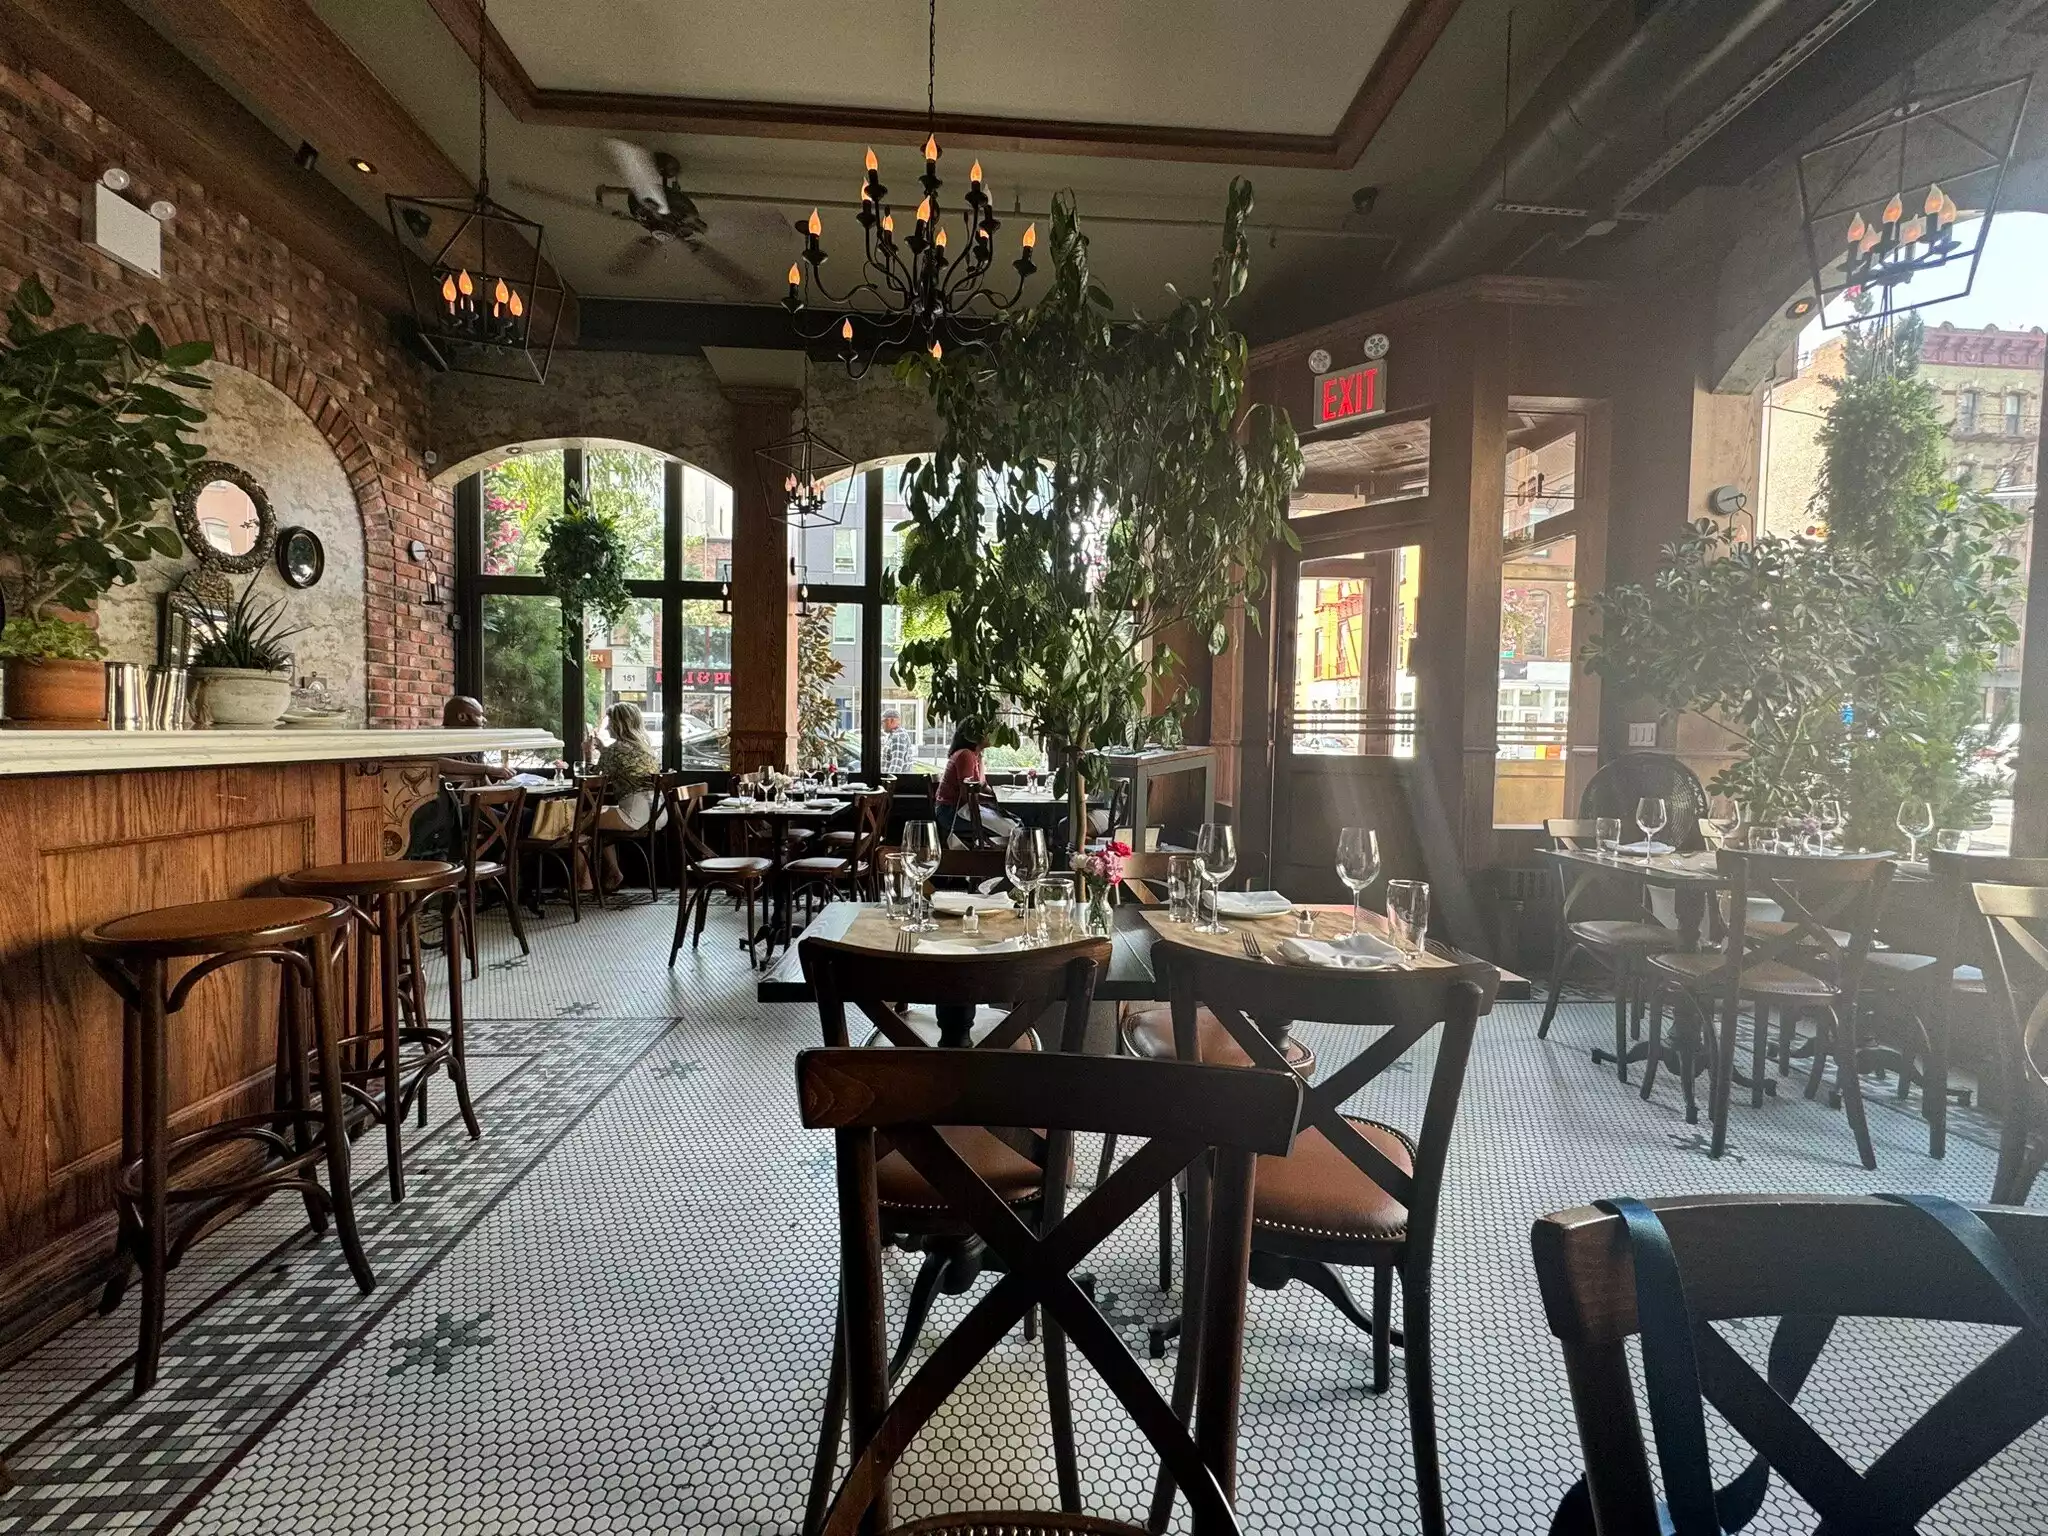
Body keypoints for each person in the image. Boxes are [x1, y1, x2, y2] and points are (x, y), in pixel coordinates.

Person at [934, 721, 1017, 847]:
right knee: (1014, 828)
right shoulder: (965, 755)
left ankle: (1003, 854)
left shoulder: (976, 755)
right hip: (951, 813)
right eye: (989, 731)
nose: (992, 734)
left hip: (964, 808)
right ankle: (1002, 856)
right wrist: (994, 801)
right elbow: (967, 794)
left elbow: (982, 785)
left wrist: (997, 797)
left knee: (1015, 822)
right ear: (976, 735)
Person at [595, 701, 660, 832]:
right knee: (597, 819)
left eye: (609, 722)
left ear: (619, 724)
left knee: (579, 819)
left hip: (634, 816)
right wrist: (604, 751)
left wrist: (587, 753)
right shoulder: (647, 749)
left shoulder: (614, 750)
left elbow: (594, 778)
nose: (606, 727)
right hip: (658, 814)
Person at [880, 708, 916, 777]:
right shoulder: (895, 734)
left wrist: (887, 782)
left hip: (895, 782)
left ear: (892, 720)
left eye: (883, 721)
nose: (882, 724)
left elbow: (896, 766)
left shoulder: (897, 737)